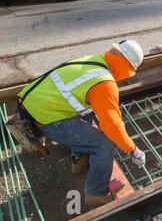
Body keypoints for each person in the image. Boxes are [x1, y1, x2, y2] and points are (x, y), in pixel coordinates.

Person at [16, 40, 146, 206]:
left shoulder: (94, 61)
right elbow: (111, 126)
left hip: (33, 104)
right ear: (126, 67)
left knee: (88, 114)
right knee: (104, 144)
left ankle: (79, 160)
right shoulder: (104, 83)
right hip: (46, 118)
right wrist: (132, 149)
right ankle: (95, 194)